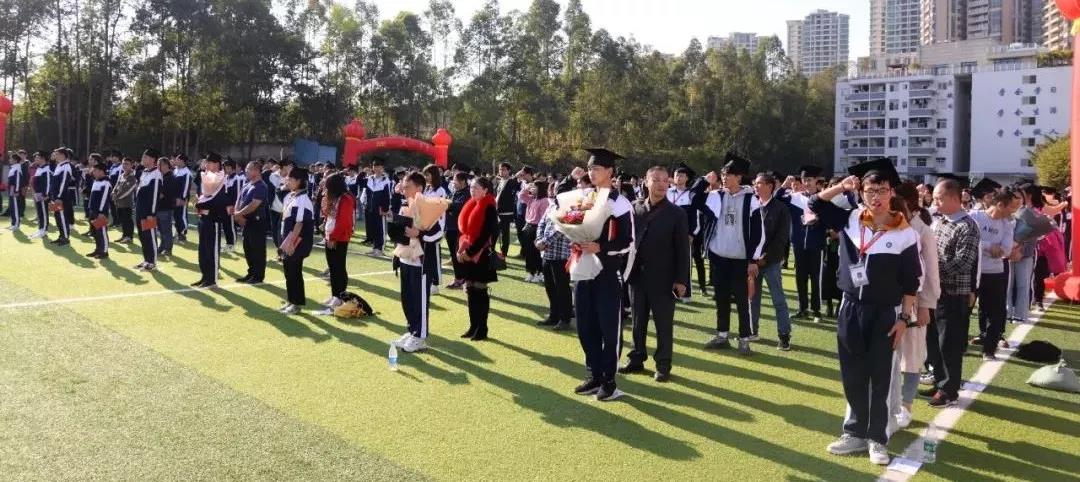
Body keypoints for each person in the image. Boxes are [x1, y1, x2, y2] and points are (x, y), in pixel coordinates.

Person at [811, 158, 920, 466]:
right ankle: (855, 433)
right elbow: (815, 203)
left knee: (881, 378)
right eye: (870, 190)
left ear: (891, 193)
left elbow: (911, 283)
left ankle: (877, 439)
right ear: (862, 193)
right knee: (853, 374)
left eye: (881, 190)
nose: (876, 196)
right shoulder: (851, 220)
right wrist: (840, 187)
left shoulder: (905, 233)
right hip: (850, 308)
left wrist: (904, 319)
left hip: (885, 312)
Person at [571, 148, 634, 402]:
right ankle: (594, 375)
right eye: (589, 168)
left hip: (607, 272)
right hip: (584, 270)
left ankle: (609, 380)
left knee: (609, 329)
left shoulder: (620, 203)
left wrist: (601, 247)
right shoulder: (586, 197)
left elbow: (628, 241)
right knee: (585, 325)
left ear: (610, 171)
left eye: (596, 168)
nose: (591, 172)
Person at [620, 166, 689, 382]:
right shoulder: (635, 208)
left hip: (664, 279)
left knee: (663, 324)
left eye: (665, 180)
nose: (661, 184)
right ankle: (636, 358)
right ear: (646, 182)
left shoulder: (676, 213)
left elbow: (682, 250)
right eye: (656, 180)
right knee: (638, 321)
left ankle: (663, 365)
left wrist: (681, 280)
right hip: (637, 276)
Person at [692, 153, 763, 356]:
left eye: (729, 175)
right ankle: (722, 335)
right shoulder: (717, 196)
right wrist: (704, 181)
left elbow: (759, 233)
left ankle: (744, 339)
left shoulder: (751, 200)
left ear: (739, 177)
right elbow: (694, 199)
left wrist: (753, 260)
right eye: (723, 174)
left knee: (741, 301)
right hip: (719, 257)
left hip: (740, 259)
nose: (724, 178)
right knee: (721, 298)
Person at [925, 178, 980, 409]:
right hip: (934, 291)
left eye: (939, 198)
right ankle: (940, 381)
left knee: (949, 343)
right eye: (934, 198)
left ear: (955, 199)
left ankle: (949, 390)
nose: (935, 202)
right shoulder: (939, 220)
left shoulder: (968, 226)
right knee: (933, 341)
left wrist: (931, 267)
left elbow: (963, 262)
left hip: (953, 293)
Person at [891, 181, 940, 430]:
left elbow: (931, 272)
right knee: (889, 353)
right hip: (888, 299)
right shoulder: (889, 225)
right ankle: (889, 402)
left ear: (907, 202)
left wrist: (926, 305)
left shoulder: (923, 231)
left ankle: (906, 405)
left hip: (915, 301)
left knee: (912, 356)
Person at [390, 172, 440, 352]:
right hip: (405, 259)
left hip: (421, 263)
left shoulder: (429, 206)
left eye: (407, 187)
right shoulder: (405, 205)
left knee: (420, 301)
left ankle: (420, 337)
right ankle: (412, 331)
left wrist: (419, 234)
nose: (403, 190)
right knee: (407, 299)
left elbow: (438, 234)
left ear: (419, 188)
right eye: (403, 187)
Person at [969, 188, 1019, 360]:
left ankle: (989, 349)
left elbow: (1006, 249)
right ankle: (960, 345)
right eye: (1011, 207)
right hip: (973, 271)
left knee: (996, 313)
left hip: (995, 273)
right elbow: (970, 239)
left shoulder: (1008, 224)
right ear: (1000, 205)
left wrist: (998, 250)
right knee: (964, 310)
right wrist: (989, 245)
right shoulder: (975, 217)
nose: (1013, 211)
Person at [749, 172, 793, 350]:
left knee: (778, 300)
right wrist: (751, 259)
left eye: (759, 183)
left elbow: (781, 238)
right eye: (755, 183)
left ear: (770, 186)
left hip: (771, 262)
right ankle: (752, 331)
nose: (756, 186)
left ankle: (784, 336)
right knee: (752, 298)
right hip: (752, 262)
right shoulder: (751, 205)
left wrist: (765, 258)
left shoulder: (781, 208)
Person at [780, 166, 828, 321]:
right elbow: (776, 199)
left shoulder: (823, 197)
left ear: (816, 180)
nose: (806, 183)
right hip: (798, 243)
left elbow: (831, 219)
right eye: (804, 180)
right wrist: (784, 185)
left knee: (816, 277)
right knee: (800, 277)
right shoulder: (795, 197)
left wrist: (820, 220)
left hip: (817, 243)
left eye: (809, 180)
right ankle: (802, 308)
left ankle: (817, 310)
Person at [456, 175, 499, 341]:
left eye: (476, 188)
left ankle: (482, 328)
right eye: (471, 187)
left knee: (480, 292)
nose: (472, 190)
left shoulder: (489, 207)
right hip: (469, 252)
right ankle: (473, 326)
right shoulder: (472, 204)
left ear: (485, 190)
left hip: (481, 256)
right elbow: (466, 232)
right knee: (470, 290)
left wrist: (470, 252)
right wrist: (462, 250)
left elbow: (486, 234)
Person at [535, 180, 574, 331]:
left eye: (560, 189)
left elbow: (561, 229)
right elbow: (541, 223)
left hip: (561, 255)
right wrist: (539, 239)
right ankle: (554, 315)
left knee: (562, 288)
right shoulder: (552, 205)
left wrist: (544, 242)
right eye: (556, 189)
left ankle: (565, 319)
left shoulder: (572, 209)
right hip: (547, 254)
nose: (556, 192)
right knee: (550, 287)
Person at [279, 167, 315, 314]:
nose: (287, 181)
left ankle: (296, 304)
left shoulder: (302, 199)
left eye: (290, 179)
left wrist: (290, 243)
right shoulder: (292, 196)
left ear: (299, 181)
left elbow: (299, 223)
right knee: (289, 271)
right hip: (290, 240)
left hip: (297, 242)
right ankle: (291, 300)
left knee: (294, 272)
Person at [318, 172, 356, 313]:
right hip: (330, 235)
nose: (325, 187)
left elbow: (344, 221)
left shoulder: (346, 199)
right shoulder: (333, 197)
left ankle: (340, 295)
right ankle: (335, 294)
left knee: (338, 266)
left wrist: (334, 237)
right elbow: (327, 214)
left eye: (327, 184)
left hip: (339, 237)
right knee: (332, 267)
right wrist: (324, 201)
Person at [190, 153, 228, 287]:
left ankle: (212, 280)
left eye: (209, 163)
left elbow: (219, 200)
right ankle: (205, 276)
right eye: (206, 162)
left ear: (217, 164)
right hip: (203, 217)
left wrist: (201, 204)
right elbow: (203, 195)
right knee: (203, 250)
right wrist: (198, 201)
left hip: (214, 218)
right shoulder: (207, 176)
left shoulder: (222, 178)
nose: (206, 165)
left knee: (212, 250)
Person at [668, 164, 703, 300]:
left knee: (684, 264)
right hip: (667, 234)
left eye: (681, 176)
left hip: (684, 235)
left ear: (687, 178)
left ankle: (684, 294)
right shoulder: (667, 192)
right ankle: (668, 291)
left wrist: (692, 234)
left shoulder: (690, 194)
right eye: (676, 175)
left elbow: (696, 218)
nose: (678, 178)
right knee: (667, 262)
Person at [234, 160, 269, 284]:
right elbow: (239, 199)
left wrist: (239, 214)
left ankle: (258, 276)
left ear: (256, 171)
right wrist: (237, 214)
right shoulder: (247, 184)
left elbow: (254, 205)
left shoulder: (261, 186)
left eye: (248, 169)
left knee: (257, 250)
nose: (246, 171)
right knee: (248, 249)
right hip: (246, 222)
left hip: (257, 222)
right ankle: (251, 273)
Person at [421, 164, 448, 292]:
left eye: (428, 174)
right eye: (425, 174)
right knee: (426, 255)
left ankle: (435, 283)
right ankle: (427, 280)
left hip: (436, 226)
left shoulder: (440, 191)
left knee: (434, 255)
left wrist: (440, 229)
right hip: (425, 225)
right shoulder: (426, 189)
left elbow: (440, 210)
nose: (425, 177)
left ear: (434, 175)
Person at [521, 180, 550, 283]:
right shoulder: (531, 199)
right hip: (528, 227)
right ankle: (530, 272)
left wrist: (541, 231)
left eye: (534, 187)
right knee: (528, 252)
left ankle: (539, 272)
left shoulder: (544, 200)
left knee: (536, 252)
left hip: (537, 227)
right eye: (532, 187)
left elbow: (543, 218)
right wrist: (526, 188)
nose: (532, 189)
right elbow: (521, 196)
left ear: (540, 189)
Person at [445, 171, 470, 289]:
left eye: (455, 180)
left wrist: (448, 204)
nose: (453, 182)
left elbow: (458, 207)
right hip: (450, 227)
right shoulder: (455, 192)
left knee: (459, 254)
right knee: (453, 255)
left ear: (463, 181)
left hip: (459, 229)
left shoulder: (467, 193)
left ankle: (462, 279)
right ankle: (458, 278)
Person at [364, 157, 392, 257]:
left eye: (379, 166)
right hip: (370, 208)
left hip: (380, 209)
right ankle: (375, 248)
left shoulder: (386, 180)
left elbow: (387, 196)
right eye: (375, 166)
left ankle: (380, 249)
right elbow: (365, 191)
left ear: (382, 168)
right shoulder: (369, 179)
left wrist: (385, 209)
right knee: (373, 229)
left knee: (380, 229)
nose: (376, 168)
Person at [48, 147, 76, 245]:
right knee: (58, 217)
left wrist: (59, 197)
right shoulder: (59, 165)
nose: (55, 156)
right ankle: (61, 236)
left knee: (62, 217)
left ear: (63, 155)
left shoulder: (66, 166)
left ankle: (65, 238)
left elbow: (63, 183)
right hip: (56, 197)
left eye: (57, 154)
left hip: (61, 198)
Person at [85, 163, 112, 259]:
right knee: (95, 232)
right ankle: (98, 250)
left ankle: (104, 252)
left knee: (102, 232)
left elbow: (104, 199)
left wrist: (101, 212)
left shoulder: (106, 183)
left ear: (101, 171)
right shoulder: (96, 181)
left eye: (95, 170)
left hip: (101, 213)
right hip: (93, 211)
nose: (93, 172)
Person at [494, 162, 519, 257]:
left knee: (504, 233)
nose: (501, 171)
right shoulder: (500, 181)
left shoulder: (512, 182)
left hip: (506, 211)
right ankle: (492, 249)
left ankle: (503, 252)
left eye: (503, 169)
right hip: (497, 210)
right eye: (500, 169)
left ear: (509, 171)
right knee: (494, 231)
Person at [112, 158, 137, 243]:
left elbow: (128, 190)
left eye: (127, 164)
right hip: (119, 203)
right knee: (122, 220)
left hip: (127, 204)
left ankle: (129, 237)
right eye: (123, 164)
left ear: (131, 165)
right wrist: (113, 193)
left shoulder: (132, 177)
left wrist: (117, 197)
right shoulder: (121, 175)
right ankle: (124, 235)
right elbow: (116, 186)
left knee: (127, 220)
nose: (124, 165)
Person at [155, 157, 177, 258]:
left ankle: (168, 249)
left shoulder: (170, 177)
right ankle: (162, 247)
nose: (158, 167)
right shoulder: (162, 176)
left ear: (165, 165)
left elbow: (162, 194)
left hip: (166, 207)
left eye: (159, 165)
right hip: (159, 207)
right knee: (160, 229)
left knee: (166, 229)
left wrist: (152, 198)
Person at [29, 151, 51, 240]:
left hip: (43, 194)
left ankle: (44, 230)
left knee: (44, 212)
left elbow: (48, 183)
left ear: (43, 158)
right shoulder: (39, 168)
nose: (35, 159)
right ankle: (40, 229)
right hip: (37, 193)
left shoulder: (47, 168)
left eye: (37, 157)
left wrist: (46, 194)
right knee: (39, 212)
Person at [221, 159, 240, 253]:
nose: (225, 169)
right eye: (224, 167)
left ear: (232, 168)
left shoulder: (237, 179)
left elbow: (238, 194)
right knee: (226, 225)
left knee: (231, 225)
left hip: (232, 206)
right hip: (224, 206)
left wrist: (235, 207)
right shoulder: (226, 178)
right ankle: (228, 243)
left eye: (226, 167)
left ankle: (232, 244)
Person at [171, 154, 193, 242]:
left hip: (181, 199)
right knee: (176, 216)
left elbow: (186, 187)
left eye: (177, 160)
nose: (175, 161)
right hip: (174, 198)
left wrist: (182, 198)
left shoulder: (187, 173)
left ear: (182, 161)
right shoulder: (175, 170)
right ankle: (177, 232)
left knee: (182, 215)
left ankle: (182, 234)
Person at [6, 153, 25, 230]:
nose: (9, 160)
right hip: (11, 190)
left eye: (11, 158)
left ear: (15, 160)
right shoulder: (13, 168)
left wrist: (16, 191)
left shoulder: (17, 168)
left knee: (15, 207)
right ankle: (13, 223)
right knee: (12, 207)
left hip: (14, 191)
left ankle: (16, 224)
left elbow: (17, 180)